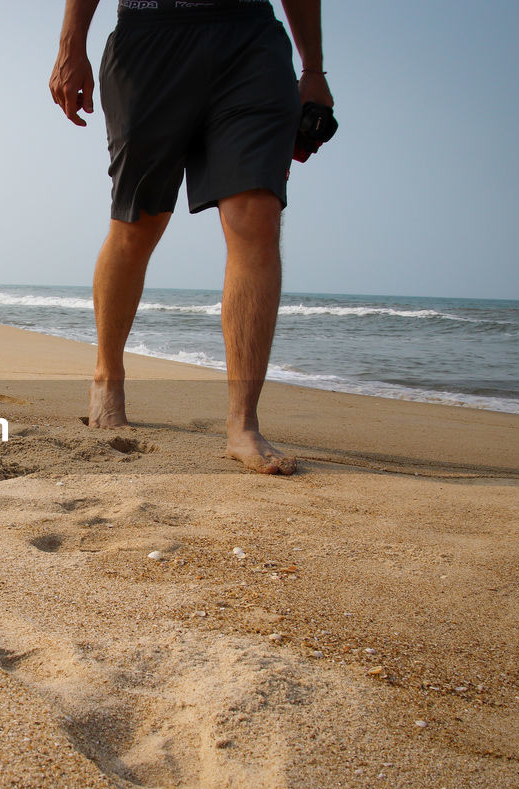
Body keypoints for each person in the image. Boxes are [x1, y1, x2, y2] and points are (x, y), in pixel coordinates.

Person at [49, 0, 332, 475]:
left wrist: (314, 69)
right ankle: (107, 375)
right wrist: (71, 44)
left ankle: (243, 422)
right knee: (138, 224)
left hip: (250, 40)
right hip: (149, 36)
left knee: (258, 217)